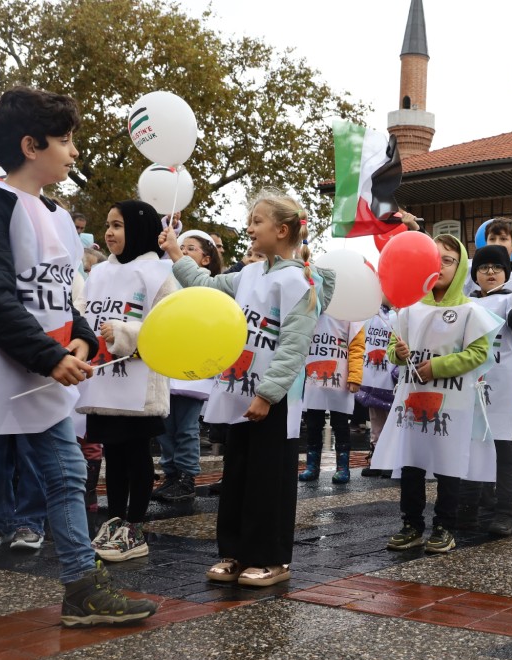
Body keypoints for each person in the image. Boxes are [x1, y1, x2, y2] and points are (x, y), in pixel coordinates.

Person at [0, 86, 156, 626]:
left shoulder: (59, 214)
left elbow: (68, 294)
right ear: (30, 145)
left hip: (43, 373)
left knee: (68, 475)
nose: (74, 152)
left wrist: (82, 339)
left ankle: (81, 590)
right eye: (65, 140)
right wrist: (48, 354)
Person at [160, 188, 329, 587]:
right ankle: (234, 551)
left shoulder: (301, 282)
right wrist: (175, 254)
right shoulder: (249, 273)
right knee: (238, 473)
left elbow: (293, 345)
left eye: (257, 221)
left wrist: (267, 394)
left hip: (274, 398)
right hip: (238, 391)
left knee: (270, 476)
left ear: (283, 230)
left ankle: (271, 557)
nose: (249, 229)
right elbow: (206, 285)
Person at [372, 234, 500, 554]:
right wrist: (399, 353)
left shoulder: (471, 311)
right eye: (435, 259)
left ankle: (445, 526)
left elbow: (478, 355)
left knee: (448, 464)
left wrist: (438, 366)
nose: (440, 266)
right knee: (411, 463)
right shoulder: (408, 308)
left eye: (448, 260)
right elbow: (391, 353)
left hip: (452, 403)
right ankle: (411, 524)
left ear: (459, 267)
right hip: (413, 401)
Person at [76, 200, 177, 562]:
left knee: (136, 453)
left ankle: (135, 526)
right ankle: (115, 519)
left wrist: (123, 331)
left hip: (140, 381)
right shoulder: (99, 272)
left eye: (117, 225)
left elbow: (168, 326)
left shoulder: (158, 273)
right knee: (112, 453)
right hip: (104, 380)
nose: (109, 232)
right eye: (107, 224)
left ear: (136, 229)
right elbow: (85, 314)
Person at [458, 245, 512, 536]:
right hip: (469, 388)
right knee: (471, 447)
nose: (491, 272)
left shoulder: (510, 301)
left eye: (497, 267)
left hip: (506, 388)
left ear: (507, 273)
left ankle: (505, 511)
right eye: (484, 268)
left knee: (506, 451)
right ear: (475, 274)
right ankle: (469, 508)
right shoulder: (463, 303)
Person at [153, 230, 222, 503]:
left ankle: (186, 477)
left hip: (194, 367)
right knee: (165, 425)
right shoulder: (168, 281)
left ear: (205, 259)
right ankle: (170, 473)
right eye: (179, 247)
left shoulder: (209, 287)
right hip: (166, 362)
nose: (181, 251)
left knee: (186, 426)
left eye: (189, 249)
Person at [299, 311, 364, 484]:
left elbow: (357, 348)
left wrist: (355, 377)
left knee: (341, 425)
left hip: (340, 381)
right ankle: (312, 466)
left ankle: (343, 468)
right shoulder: (315, 307)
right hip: (314, 380)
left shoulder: (352, 315)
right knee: (313, 424)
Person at [357, 297, 397, 478]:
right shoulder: (370, 312)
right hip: (373, 376)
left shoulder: (404, 313)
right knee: (376, 420)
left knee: (395, 420)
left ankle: (392, 460)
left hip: (393, 375)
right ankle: (377, 458)